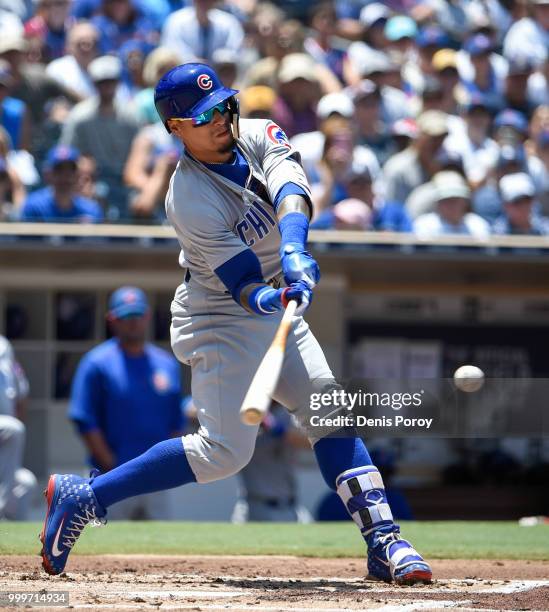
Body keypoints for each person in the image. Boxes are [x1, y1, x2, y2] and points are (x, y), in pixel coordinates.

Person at [40, 62, 432, 586]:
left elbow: (292, 189)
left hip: (276, 289)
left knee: (327, 408)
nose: (221, 119)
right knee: (224, 452)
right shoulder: (188, 197)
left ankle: (385, 541)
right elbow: (243, 285)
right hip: (219, 314)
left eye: (223, 105)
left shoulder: (257, 131)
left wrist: (293, 246)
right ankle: (85, 496)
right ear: (175, 128)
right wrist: (275, 296)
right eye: (204, 117)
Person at [68, 287, 184, 519]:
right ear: (112, 320)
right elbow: (85, 420)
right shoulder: (97, 362)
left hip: (157, 478)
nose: (133, 322)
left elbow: (176, 422)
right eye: (126, 316)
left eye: (137, 315)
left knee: (162, 547)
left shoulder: (167, 363)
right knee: (104, 547)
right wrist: (113, 466)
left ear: (147, 316)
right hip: (110, 475)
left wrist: (165, 467)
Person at [0, 335, 37, 520]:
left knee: (26, 482)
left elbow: (21, 396)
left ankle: (9, 537)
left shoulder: (3, 346)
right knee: (13, 429)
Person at [20, 145, 103, 222]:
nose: (65, 176)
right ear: (48, 174)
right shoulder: (34, 207)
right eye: (59, 169)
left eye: (71, 170)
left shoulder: (90, 211)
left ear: (78, 173)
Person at [413, 170, 491, 239]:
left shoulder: (478, 226)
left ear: (464, 201)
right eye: (446, 200)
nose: (452, 205)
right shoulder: (424, 226)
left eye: (456, 199)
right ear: (438, 203)